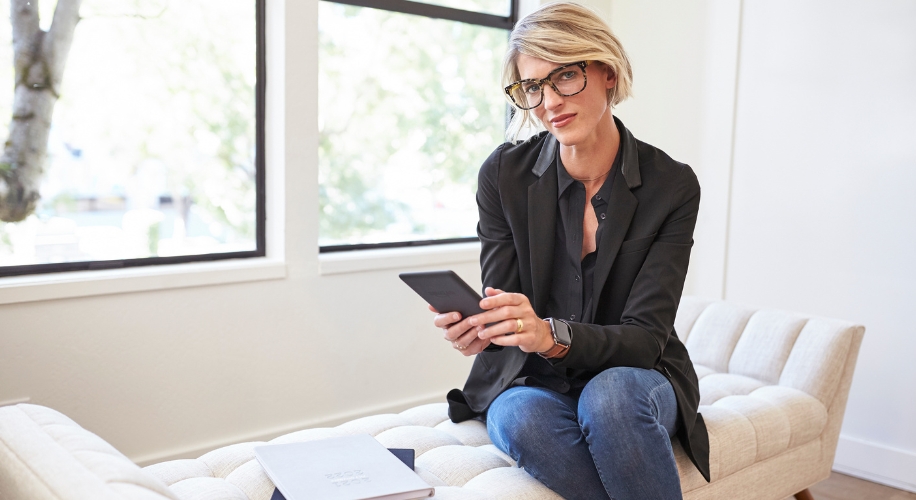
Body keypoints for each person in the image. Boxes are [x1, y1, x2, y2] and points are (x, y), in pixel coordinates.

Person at [431, 2, 710, 499]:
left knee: (611, 399)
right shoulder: (503, 176)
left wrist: (550, 335)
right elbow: (507, 303)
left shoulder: (672, 185)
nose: (547, 102)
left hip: (637, 377)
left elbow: (645, 339)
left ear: (606, 71)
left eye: (563, 77)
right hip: (534, 380)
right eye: (531, 87)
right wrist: (484, 331)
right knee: (520, 418)